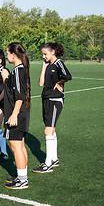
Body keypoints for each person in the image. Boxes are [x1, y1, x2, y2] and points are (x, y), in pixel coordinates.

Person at [32, 42, 72, 173]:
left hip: (55, 99)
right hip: (46, 98)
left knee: (47, 131)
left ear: (53, 52)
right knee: (51, 130)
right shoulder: (48, 65)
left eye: (45, 54)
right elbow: (41, 83)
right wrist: (44, 67)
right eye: (43, 54)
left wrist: (59, 82)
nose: (44, 56)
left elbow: (68, 76)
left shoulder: (58, 63)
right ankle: (54, 159)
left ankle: (47, 164)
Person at [2, 42, 31, 189]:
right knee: (20, 145)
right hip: (19, 113)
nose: (7, 56)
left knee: (15, 146)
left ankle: (22, 180)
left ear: (14, 54)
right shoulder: (17, 70)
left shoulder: (19, 70)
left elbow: (19, 96)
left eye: (8, 53)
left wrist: (14, 115)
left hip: (17, 114)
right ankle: (22, 175)